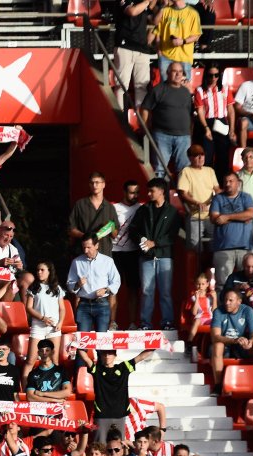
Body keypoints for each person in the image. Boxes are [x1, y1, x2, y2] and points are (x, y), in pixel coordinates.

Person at [130, 177, 181, 330]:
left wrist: (154, 243)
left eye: (152, 191)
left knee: (165, 292)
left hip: (165, 256)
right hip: (146, 257)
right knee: (147, 292)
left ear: (161, 191)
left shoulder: (172, 212)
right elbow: (133, 230)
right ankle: (145, 324)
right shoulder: (144, 210)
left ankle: (167, 323)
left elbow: (172, 235)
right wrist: (142, 240)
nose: (148, 194)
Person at [141, 61, 195, 179]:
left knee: (184, 170)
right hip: (162, 136)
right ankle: (160, 191)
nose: (178, 74)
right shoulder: (158, 90)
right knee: (160, 170)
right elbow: (145, 109)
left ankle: (182, 192)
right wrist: (145, 129)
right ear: (168, 73)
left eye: (180, 72)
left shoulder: (186, 92)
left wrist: (189, 133)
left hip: (183, 137)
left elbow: (189, 114)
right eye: (175, 71)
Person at [209, 289, 253, 393]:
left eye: (230, 300)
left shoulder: (247, 311)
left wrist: (250, 342)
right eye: (225, 300)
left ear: (239, 301)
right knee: (218, 345)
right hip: (225, 345)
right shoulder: (218, 311)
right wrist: (234, 340)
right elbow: (215, 337)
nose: (227, 303)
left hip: (241, 345)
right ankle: (218, 385)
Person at [210, 173, 253, 285]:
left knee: (248, 285)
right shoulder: (217, 198)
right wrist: (241, 217)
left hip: (245, 248)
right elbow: (215, 218)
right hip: (223, 248)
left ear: (238, 183)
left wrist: (226, 217)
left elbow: (250, 214)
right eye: (225, 181)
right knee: (223, 285)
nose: (227, 184)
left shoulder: (246, 197)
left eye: (231, 181)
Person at [66, 234, 121, 332]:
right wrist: (77, 284)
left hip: (102, 304)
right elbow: (70, 284)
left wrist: (106, 290)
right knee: (83, 339)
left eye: (89, 247)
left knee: (101, 339)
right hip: (84, 304)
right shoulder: (77, 262)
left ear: (96, 245)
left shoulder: (107, 261)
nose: (85, 251)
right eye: (84, 247)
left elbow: (116, 281)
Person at [154, 0, 200, 77]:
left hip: (184, 58)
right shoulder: (165, 11)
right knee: (166, 84)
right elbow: (157, 31)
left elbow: (196, 35)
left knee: (184, 84)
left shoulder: (193, 13)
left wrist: (183, 41)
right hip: (165, 57)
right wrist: (159, 52)